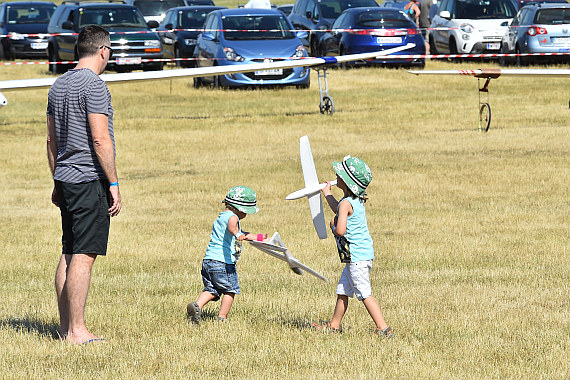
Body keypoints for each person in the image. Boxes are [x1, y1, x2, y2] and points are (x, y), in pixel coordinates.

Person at [46, 25, 121, 344]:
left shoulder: (58, 85)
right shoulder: (95, 86)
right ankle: (77, 331)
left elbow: (51, 140)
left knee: (69, 250)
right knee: (84, 254)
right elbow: (100, 139)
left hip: (65, 178)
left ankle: (66, 329)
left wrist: (55, 180)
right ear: (103, 50)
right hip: (89, 179)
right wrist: (113, 183)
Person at [312, 156, 393, 338]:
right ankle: (334, 325)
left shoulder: (346, 203)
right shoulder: (352, 201)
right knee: (343, 291)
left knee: (364, 293)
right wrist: (327, 193)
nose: (336, 175)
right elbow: (339, 208)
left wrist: (332, 226)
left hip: (356, 258)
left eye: (339, 174)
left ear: (347, 182)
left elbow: (340, 229)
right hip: (359, 256)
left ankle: (383, 328)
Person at [187, 186, 267, 324]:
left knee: (212, 289)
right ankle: (222, 317)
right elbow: (232, 227)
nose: (246, 215)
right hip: (223, 263)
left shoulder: (222, 216)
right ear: (238, 208)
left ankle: (197, 306)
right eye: (246, 212)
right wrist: (237, 234)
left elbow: (245, 234)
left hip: (209, 261)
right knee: (230, 290)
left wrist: (261, 238)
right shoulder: (232, 217)